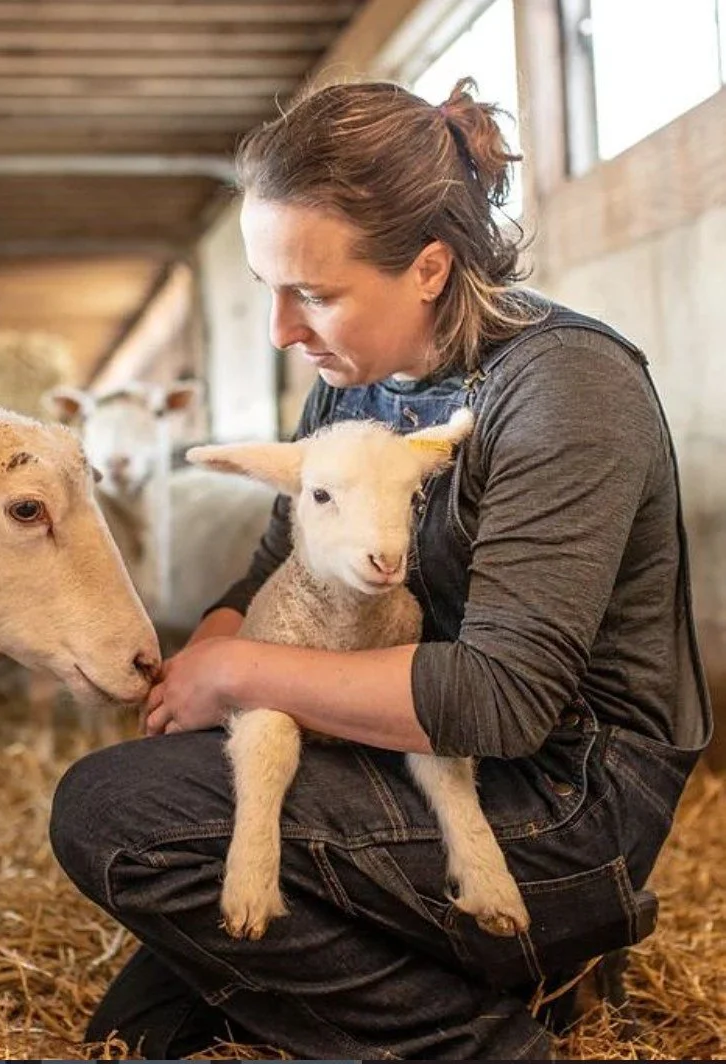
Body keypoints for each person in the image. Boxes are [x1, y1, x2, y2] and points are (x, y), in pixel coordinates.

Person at [48, 77, 712, 1060]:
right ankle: (516, 971)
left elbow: (501, 699)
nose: (281, 329)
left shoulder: (562, 390)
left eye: (311, 294)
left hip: (556, 800)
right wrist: (205, 652)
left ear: (430, 268)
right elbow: (275, 568)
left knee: (113, 815)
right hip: (389, 754)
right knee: (141, 1031)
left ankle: (490, 1034)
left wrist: (237, 674)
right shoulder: (352, 390)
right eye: (267, 289)